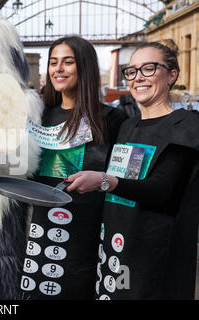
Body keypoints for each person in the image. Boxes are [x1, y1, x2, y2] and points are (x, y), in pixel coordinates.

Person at [66, 40, 199, 299]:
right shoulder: (127, 126)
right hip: (116, 250)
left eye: (149, 68)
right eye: (132, 70)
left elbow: (162, 190)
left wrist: (105, 181)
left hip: (154, 258)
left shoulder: (186, 126)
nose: (138, 77)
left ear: (172, 75)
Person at [20, 36, 127, 299]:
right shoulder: (38, 115)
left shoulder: (112, 119)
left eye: (68, 62)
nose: (58, 69)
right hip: (37, 231)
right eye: (53, 62)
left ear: (85, 67)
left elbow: (121, 179)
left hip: (86, 236)